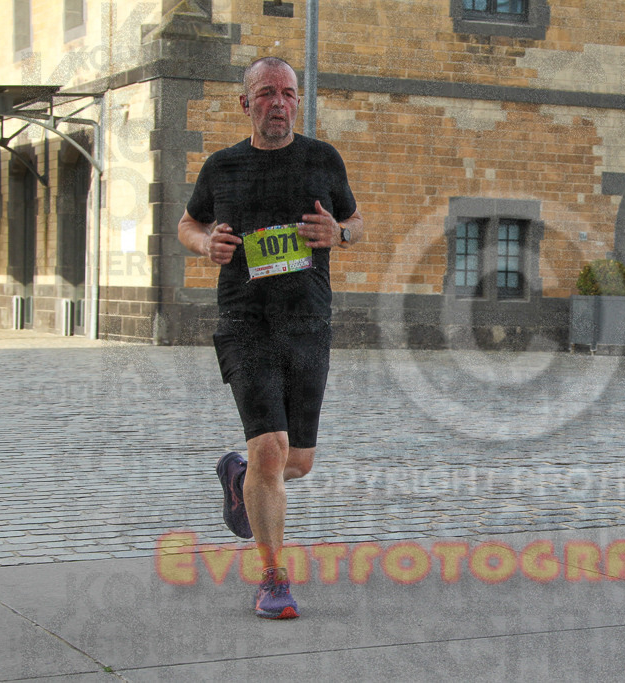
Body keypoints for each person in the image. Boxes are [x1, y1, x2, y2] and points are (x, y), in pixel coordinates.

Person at [177, 56, 363, 619]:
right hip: (245, 323)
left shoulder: (323, 159)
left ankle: (240, 477)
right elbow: (188, 223)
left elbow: (357, 222)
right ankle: (273, 578)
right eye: (265, 93)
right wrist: (204, 243)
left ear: (297, 101)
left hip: (308, 323)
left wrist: (339, 233)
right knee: (270, 448)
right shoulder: (222, 166)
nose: (277, 102)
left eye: (287, 93)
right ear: (246, 103)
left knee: (297, 461)